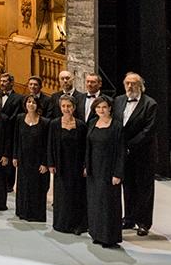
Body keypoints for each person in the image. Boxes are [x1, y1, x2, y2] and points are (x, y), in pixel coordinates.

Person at [114, 72, 158, 237]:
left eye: (133, 83)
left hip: (143, 154)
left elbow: (148, 130)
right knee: (128, 186)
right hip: (124, 153)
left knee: (144, 188)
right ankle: (129, 218)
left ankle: (144, 222)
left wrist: (129, 145)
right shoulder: (118, 100)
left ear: (140, 86)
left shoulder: (150, 104)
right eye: (127, 83)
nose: (130, 86)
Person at [86, 95, 125, 248]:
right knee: (95, 202)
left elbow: (121, 151)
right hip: (94, 169)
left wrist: (118, 173)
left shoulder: (117, 126)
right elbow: (88, 147)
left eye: (104, 107)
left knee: (108, 204)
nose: (101, 110)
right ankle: (96, 233)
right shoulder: (92, 123)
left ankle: (109, 237)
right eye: (98, 107)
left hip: (109, 170)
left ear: (110, 108)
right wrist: (86, 165)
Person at [47, 95, 87, 235]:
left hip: (76, 165)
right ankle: (61, 223)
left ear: (74, 107)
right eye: (63, 106)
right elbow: (50, 145)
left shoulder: (81, 125)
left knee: (76, 194)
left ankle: (76, 224)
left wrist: (85, 166)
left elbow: (85, 147)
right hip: (61, 165)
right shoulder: (54, 124)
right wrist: (51, 163)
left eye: (69, 106)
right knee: (62, 194)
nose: (66, 109)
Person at [13, 95, 50, 222]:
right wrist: (15, 156)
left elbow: (47, 144)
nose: (31, 104)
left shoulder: (45, 122)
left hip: (38, 161)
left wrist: (45, 163)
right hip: (23, 159)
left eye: (34, 102)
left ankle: (35, 214)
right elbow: (16, 139)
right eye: (29, 102)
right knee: (23, 186)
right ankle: (22, 211)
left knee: (37, 187)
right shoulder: (19, 118)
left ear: (38, 105)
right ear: (25, 104)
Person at [0, 72, 23, 192]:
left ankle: (9, 184)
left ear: (11, 83)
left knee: (8, 158)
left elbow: (16, 116)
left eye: (5, 81)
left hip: (10, 132)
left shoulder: (18, 98)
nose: (2, 83)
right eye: (1, 81)